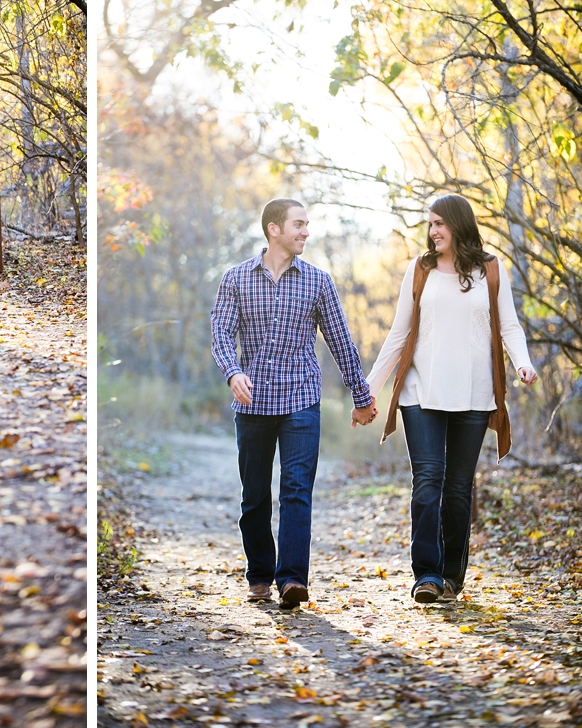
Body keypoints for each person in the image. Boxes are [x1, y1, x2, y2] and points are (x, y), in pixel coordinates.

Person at [366, 194, 538, 604]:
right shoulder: (420, 269)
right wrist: (369, 389)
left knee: (459, 489)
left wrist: (523, 363)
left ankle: (450, 577)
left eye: (439, 223)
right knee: (428, 481)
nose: (433, 231)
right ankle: (426, 575)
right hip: (421, 392)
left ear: (459, 225)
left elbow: (509, 327)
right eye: (430, 224)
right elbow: (399, 333)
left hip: (475, 394)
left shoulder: (491, 269)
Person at [211, 199, 377, 609]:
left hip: (301, 398)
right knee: (254, 495)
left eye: (306, 224)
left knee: (297, 490)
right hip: (253, 403)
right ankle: (260, 574)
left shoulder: (318, 281)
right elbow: (221, 333)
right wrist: (233, 372)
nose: (306, 231)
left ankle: (291, 580)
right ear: (274, 229)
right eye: (298, 224)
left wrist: (361, 396)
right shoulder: (236, 279)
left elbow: (340, 341)